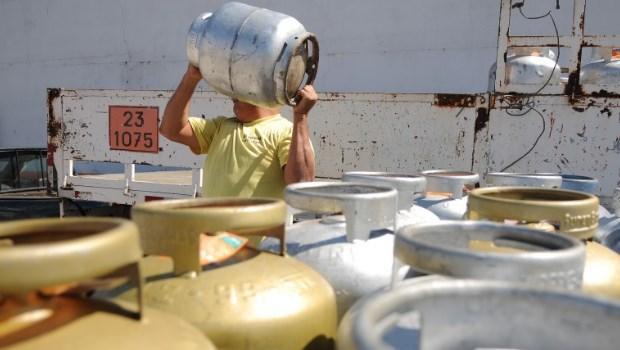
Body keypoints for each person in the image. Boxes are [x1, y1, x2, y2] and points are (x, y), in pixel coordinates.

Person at [159, 64, 316, 199]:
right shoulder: (221, 127)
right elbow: (170, 130)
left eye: (242, 88)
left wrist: (300, 116)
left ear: (264, 92)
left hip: (261, 235)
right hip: (217, 235)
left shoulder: (286, 131)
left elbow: (301, 186)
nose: (233, 95)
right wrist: (190, 78)